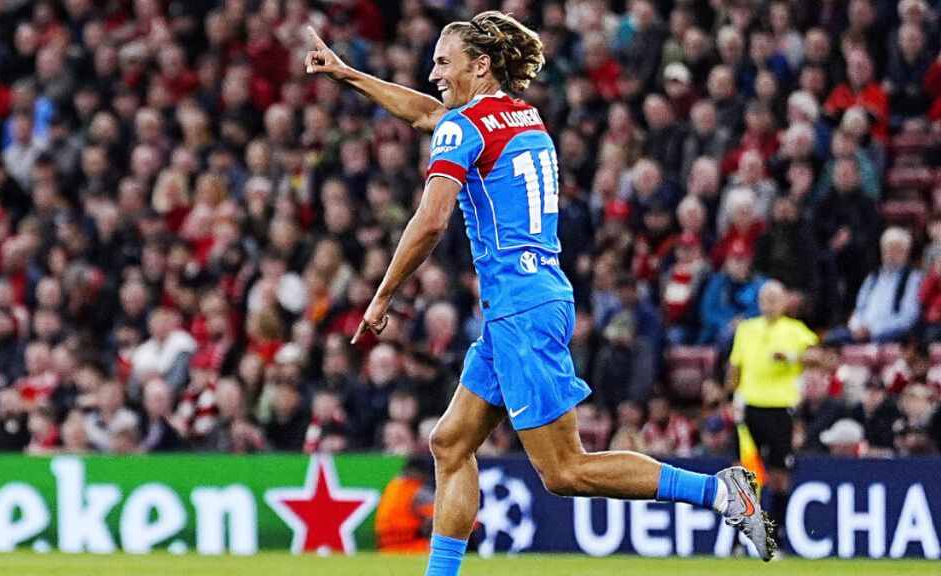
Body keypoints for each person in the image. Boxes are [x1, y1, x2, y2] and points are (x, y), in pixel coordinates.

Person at [306, 12, 775, 573]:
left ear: (481, 65)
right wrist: (349, 75)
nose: (433, 73)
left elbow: (431, 221)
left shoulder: (464, 128)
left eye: (443, 62)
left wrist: (383, 295)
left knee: (565, 470)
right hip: (531, 298)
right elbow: (429, 114)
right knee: (450, 443)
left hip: (519, 308)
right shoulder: (521, 115)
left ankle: (720, 492)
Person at [727, 280, 821, 549]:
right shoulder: (746, 329)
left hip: (780, 409)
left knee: (780, 475)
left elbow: (819, 357)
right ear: (759, 302)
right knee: (744, 474)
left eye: (775, 299)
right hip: (749, 408)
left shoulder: (795, 330)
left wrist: (791, 357)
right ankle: (738, 541)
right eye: (765, 299)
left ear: (784, 302)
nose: (769, 304)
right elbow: (735, 367)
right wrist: (729, 397)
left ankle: (775, 537)